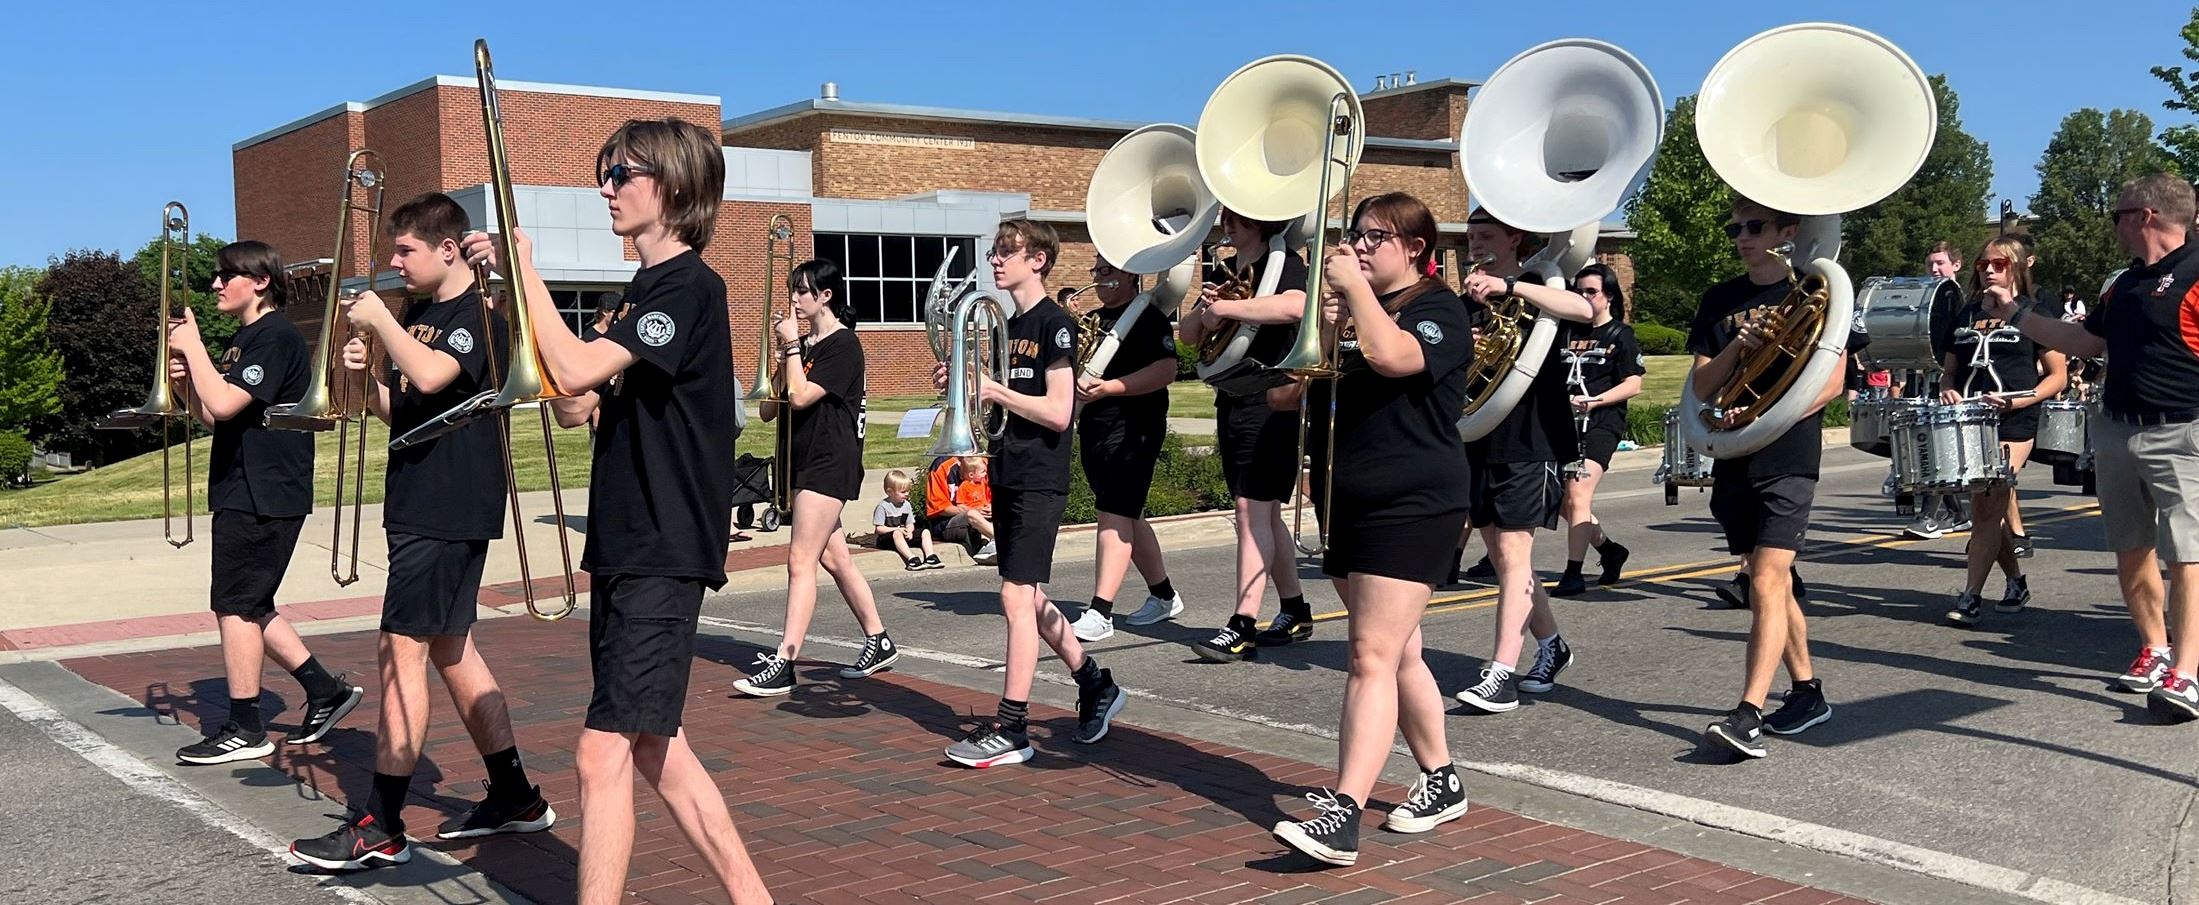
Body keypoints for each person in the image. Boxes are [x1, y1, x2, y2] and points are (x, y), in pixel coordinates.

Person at [469, 118, 773, 904]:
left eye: (621, 174)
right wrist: (519, 305)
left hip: (662, 546)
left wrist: (528, 272)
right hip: (627, 541)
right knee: (653, 746)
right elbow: (575, 401)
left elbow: (575, 368)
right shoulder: (642, 291)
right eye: (604, 174)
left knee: (598, 752)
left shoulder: (687, 285)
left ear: (670, 186)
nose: (605, 189)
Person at [291, 193, 553, 871]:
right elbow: (403, 408)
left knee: (398, 651)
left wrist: (380, 320)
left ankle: (381, 823)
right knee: (450, 650)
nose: (395, 261)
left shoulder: (480, 315)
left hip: (447, 504)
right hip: (418, 499)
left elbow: (436, 374)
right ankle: (515, 794)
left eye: (405, 249)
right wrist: (361, 378)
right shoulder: (422, 315)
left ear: (447, 249)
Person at [1270, 192, 1472, 866]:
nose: (1359, 245)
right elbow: (1286, 394)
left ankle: (1345, 811)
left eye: (1375, 236)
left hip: (1413, 501)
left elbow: (1395, 359)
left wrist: (1354, 294)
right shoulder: (1353, 312)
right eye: (1356, 234)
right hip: (1350, 500)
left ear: (1415, 248)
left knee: (1369, 656)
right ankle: (1442, 778)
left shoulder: (1439, 308)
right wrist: (1327, 330)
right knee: (1399, 652)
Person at [1980, 173, 2198, 717]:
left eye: (2117, 215)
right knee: (2131, 546)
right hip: (2117, 428)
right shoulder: (2123, 284)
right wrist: (2016, 314)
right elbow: (2083, 340)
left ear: (2145, 215)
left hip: (2183, 431)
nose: (2114, 226)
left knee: (2187, 554)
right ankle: (2154, 649)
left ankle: (2186, 672)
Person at [935, 218, 1125, 768]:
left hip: (1040, 474)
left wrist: (995, 389)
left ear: (1038, 259)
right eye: (995, 251)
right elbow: (1003, 398)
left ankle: (1013, 726)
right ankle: (1094, 682)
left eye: (1006, 251)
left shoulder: (1053, 324)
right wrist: (964, 383)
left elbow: (1060, 411)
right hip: (1008, 469)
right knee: (1032, 599)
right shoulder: (1008, 324)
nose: (995, 260)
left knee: (1015, 598)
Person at [165, 241, 360, 767]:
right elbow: (217, 417)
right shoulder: (244, 339)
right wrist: (186, 389)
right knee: (250, 603)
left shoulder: (274, 336)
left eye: (226, 275)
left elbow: (227, 402)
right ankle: (326, 691)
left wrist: (194, 348)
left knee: (235, 605)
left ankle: (246, 727)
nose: (216, 285)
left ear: (259, 282)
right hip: (242, 484)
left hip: (265, 489)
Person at [1690, 197, 1854, 759]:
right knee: (1774, 585)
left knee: (1764, 577)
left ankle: (1748, 714)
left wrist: (1765, 415)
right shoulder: (1720, 300)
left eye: (1755, 226)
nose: (1743, 236)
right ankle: (1807, 692)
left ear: (1787, 231)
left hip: (1788, 454)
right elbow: (1703, 386)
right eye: (1736, 228)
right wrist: (1740, 345)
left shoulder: (1819, 291)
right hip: (1735, 453)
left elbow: (1833, 383)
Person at [1451, 208, 1594, 714]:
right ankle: (1552, 645)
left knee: (1512, 554)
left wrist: (1510, 287)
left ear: (1514, 238)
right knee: (1506, 557)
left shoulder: (1539, 285)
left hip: (1531, 438)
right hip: (1480, 437)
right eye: (1471, 237)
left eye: (1486, 235)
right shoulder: (1465, 302)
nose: (1476, 245)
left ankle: (1500, 674)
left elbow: (1583, 310)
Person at [735, 259, 899, 697]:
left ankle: (786, 661)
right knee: (834, 558)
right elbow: (769, 410)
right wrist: (783, 356)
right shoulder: (804, 345)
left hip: (829, 461)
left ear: (825, 296)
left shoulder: (843, 345)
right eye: (793, 290)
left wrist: (792, 348)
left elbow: (803, 396)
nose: (794, 298)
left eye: (803, 291)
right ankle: (879, 639)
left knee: (799, 560)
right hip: (801, 460)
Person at [1176, 208, 1314, 661]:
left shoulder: (1285, 262)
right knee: (1264, 513)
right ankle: (1295, 609)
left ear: (1258, 222)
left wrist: (1229, 307)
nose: (1227, 226)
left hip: (1270, 397)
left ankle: (1242, 624)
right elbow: (1189, 335)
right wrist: (1208, 313)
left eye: (1235, 218)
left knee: (1251, 509)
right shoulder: (1226, 270)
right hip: (1233, 396)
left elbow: (1296, 306)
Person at [1938, 237, 2067, 626]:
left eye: (1999, 264)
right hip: (1970, 421)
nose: (1989, 270)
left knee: (1986, 506)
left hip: (2014, 422)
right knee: (1989, 512)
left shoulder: (2033, 313)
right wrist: (1947, 388)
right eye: (1983, 265)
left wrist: (2020, 400)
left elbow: (2058, 376)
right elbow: (1949, 371)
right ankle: (2015, 581)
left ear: (2016, 268)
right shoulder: (1965, 314)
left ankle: (1970, 597)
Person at [1068, 255, 1188, 641]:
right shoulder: (1091, 320)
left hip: (1135, 428)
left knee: (1114, 511)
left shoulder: (1148, 317)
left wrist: (1109, 388)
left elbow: (1166, 370)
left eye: (1108, 270)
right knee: (1127, 514)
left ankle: (1100, 611)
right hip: (1095, 425)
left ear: (1130, 276)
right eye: (1097, 270)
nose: (1100, 277)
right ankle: (1164, 595)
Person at [1551, 262, 1641, 598]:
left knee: (1577, 494)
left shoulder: (1620, 335)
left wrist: (1595, 401)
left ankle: (1573, 573)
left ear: (1609, 296)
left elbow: (1633, 384)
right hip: (1563, 424)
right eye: (1579, 291)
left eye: (1591, 291)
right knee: (1560, 500)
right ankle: (1609, 550)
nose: (1584, 297)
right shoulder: (1564, 332)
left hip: (1600, 424)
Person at [1906, 241, 1972, 540]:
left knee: (1939, 449)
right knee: (1934, 448)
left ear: (1956, 265)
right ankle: (1957, 514)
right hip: (1929, 380)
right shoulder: (1927, 299)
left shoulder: (1961, 300)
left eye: (1940, 263)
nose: (1934, 269)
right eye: (1930, 264)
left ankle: (1928, 517)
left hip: (1955, 384)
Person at [926, 454, 996, 563]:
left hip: (983, 516)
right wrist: (974, 510)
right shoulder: (941, 465)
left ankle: (992, 546)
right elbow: (940, 508)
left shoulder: (982, 462)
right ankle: (1003, 541)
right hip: (948, 522)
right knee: (972, 514)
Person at [874, 470, 943, 570]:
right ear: (890, 492)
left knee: (925, 532)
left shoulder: (906, 505)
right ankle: (911, 558)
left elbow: (910, 524)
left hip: (903, 536)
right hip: (887, 539)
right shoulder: (883, 506)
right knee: (897, 533)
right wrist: (896, 529)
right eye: (903, 492)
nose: (907, 494)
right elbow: (879, 529)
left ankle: (930, 556)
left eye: (907, 491)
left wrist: (909, 531)